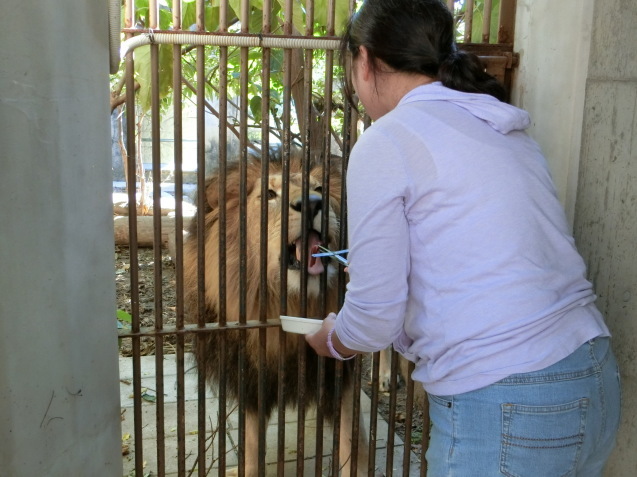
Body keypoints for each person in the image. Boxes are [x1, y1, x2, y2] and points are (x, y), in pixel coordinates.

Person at [305, 0, 621, 475]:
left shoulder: (387, 140)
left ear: (365, 60)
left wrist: (334, 339)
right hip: (594, 377)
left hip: (505, 399)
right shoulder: (501, 126)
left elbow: (374, 317)